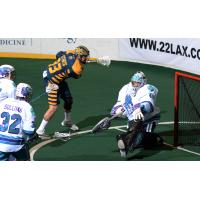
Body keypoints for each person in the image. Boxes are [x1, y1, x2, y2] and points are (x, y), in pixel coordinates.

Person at [36, 45, 90, 139]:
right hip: (51, 81)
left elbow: (58, 54)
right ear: (78, 56)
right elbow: (77, 75)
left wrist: (78, 61)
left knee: (68, 100)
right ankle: (40, 130)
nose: (86, 58)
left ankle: (67, 121)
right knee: (53, 107)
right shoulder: (75, 69)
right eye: (85, 56)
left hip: (56, 77)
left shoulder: (70, 52)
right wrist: (81, 63)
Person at [111, 71, 162, 158]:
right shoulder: (125, 89)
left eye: (138, 83)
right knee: (137, 140)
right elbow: (117, 105)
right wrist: (119, 110)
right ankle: (155, 139)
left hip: (148, 117)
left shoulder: (149, 88)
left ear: (143, 82)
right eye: (133, 83)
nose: (135, 85)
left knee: (137, 133)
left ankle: (125, 140)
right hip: (133, 120)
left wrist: (140, 109)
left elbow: (148, 105)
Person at [0, 83, 36, 161]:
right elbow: (29, 131)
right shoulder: (27, 107)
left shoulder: (4, 102)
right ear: (27, 94)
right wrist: (34, 135)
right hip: (17, 144)